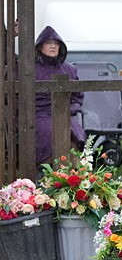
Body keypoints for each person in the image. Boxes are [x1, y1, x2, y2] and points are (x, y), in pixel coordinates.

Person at [32, 25, 85, 167]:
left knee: (73, 133)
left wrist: (70, 109)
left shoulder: (70, 70)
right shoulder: (29, 69)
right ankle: (47, 167)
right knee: (48, 131)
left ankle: (73, 172)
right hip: (38, 114)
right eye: (48, 43)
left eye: (56, 44)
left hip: (64, 113)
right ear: (40, 47)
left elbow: (77, 97)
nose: (53, 46)